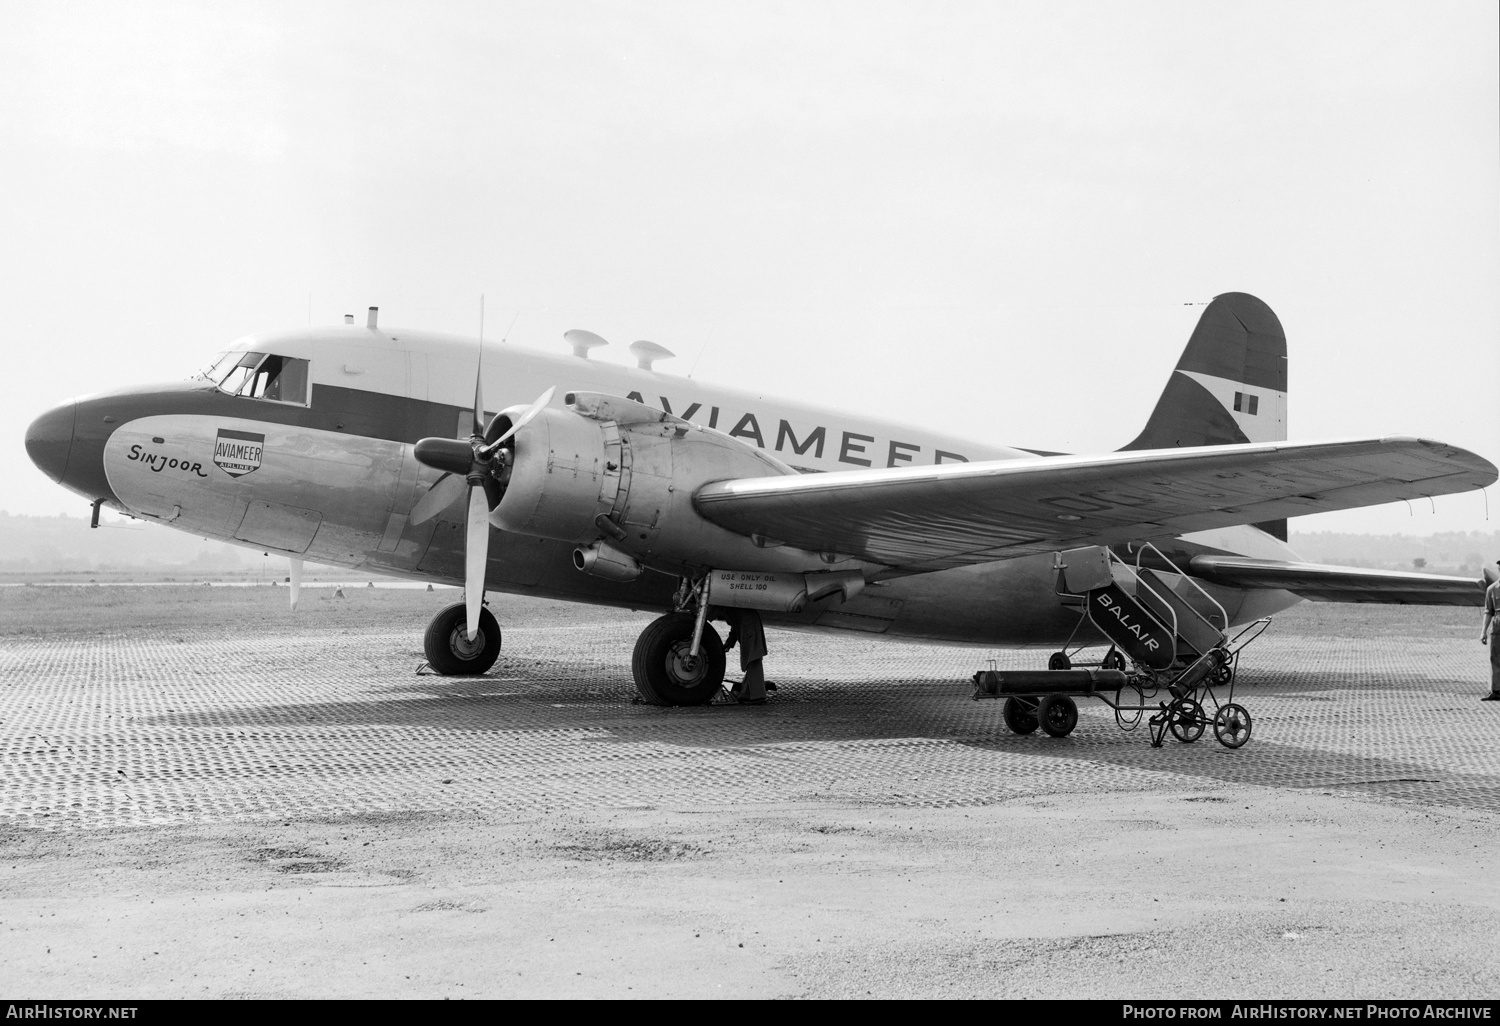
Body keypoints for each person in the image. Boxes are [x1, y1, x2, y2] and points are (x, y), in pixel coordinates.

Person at [1483, 560, 1500, 701]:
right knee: (1494, 658)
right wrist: (1483, 632)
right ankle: (1496, 690)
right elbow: (1488, 611)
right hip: (1497, 626)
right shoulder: (1492, 589)